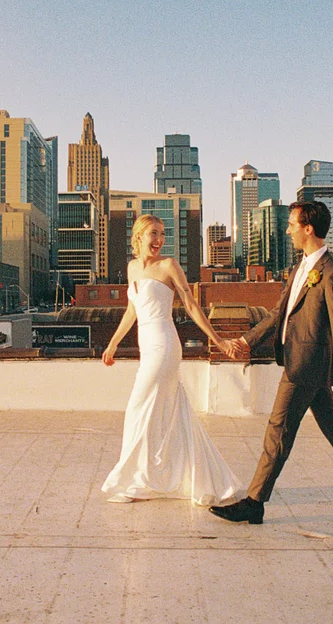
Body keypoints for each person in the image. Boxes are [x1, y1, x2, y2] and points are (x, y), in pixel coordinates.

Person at [211, 200, 333, 525]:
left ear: (308, 228)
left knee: (277, 432)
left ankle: (254, 502)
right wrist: (246, 340)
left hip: (303, 367)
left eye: (292, 223)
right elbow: (280, 314)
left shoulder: (331, 273)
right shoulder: (301, 268)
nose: (288, 229)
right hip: (305, 364)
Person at [101, 214, 242, 505]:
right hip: (146, 347)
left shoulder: (169, 266)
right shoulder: (131, 268)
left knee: (138, 409)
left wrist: (217, 340)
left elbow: (191, 305)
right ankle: (171, 477)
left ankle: (132, 481)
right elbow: (132, 311)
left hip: (164, 346)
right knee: (165, 414)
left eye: (162, 234)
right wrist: (113, 344)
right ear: (138, 236)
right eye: (153, 233)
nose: (159, 240)